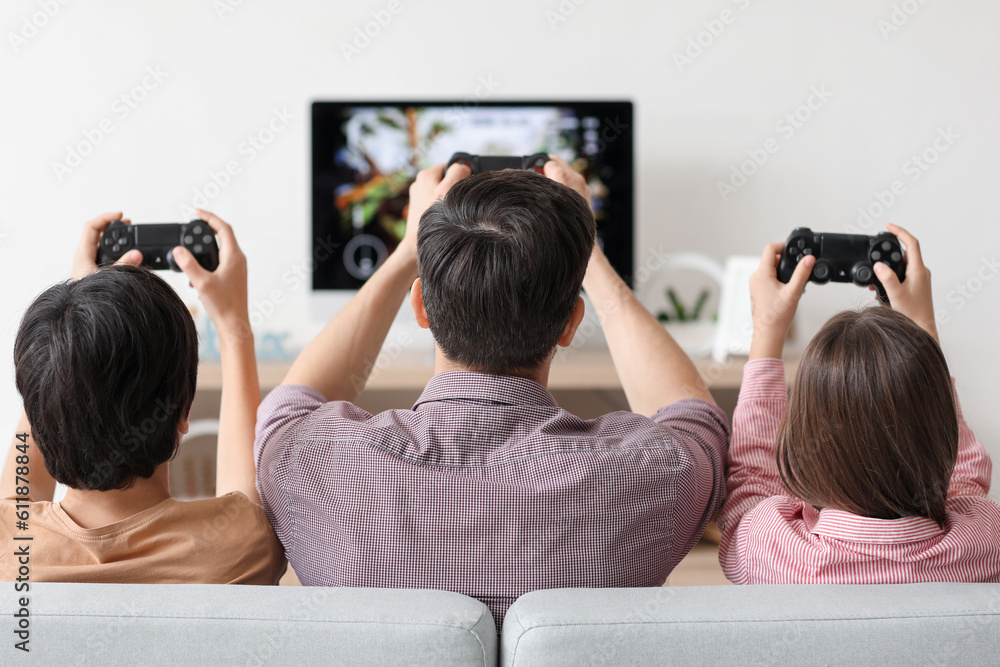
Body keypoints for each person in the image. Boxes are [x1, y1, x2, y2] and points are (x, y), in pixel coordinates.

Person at [254, 157, 729, 624]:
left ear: (420, 306)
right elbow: (693, 418)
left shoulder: (311, 461)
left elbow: (294, 403)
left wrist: (404, 254)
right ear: (570, 325)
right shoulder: (650, 473)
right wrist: (592, 261)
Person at [0, 211, 285, 584]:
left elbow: (18, 493)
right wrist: (234, 327)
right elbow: (246, 498)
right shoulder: (243, 546)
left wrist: (72, 334)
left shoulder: (10, 548)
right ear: (182, 411)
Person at [719, 224, 1000, 584]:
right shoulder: (982, 544)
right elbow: (964, 476)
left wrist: (767, 328)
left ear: (801, 443)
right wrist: (923, 326)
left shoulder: (771, 551)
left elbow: (750, 485)